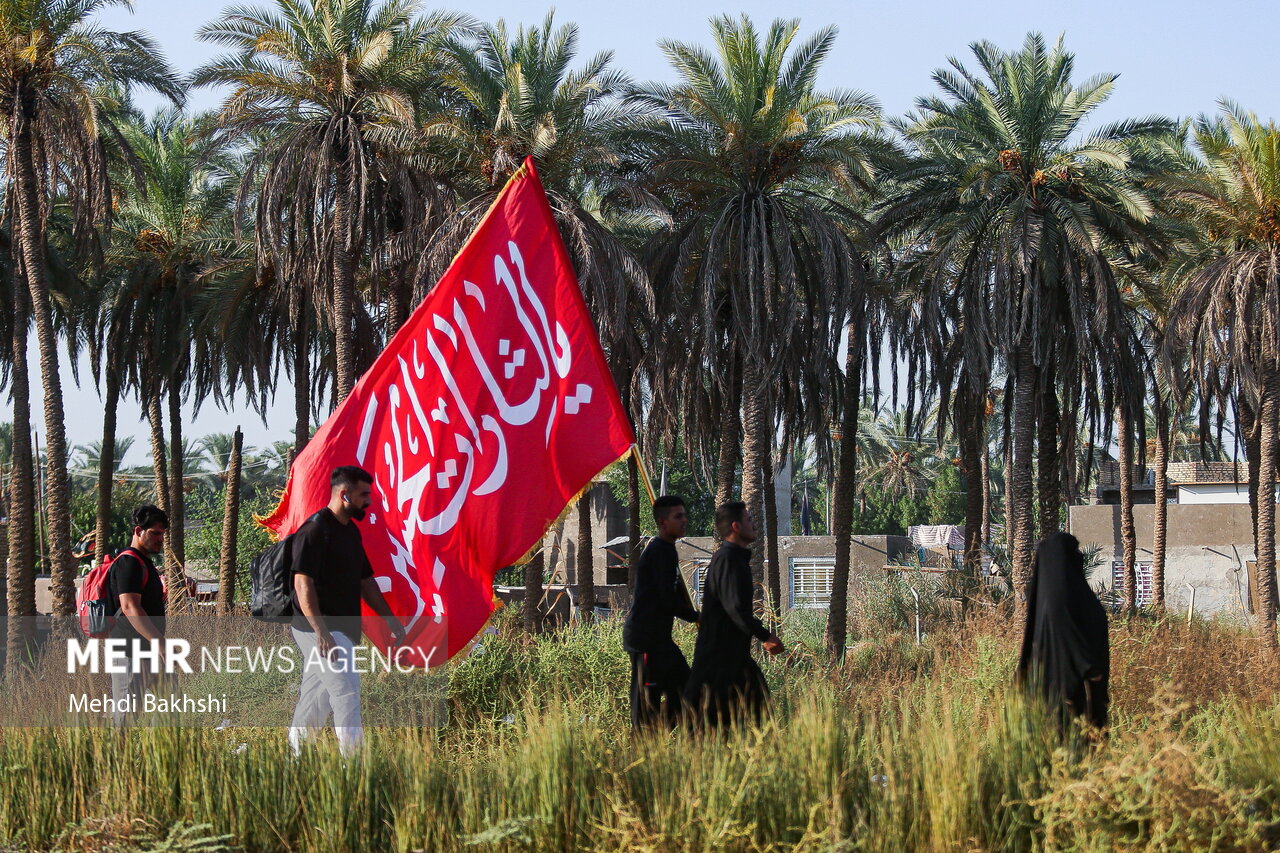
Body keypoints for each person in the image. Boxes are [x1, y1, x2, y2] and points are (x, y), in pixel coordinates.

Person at [289, 465, 406, 755]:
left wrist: (391, 621)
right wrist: (321, 632)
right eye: (363, 494)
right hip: (318, 626)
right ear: (344, 495)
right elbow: (303, 585)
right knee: (347, 692)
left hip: (340, 628)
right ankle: (353, 766)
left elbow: (365, 582)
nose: (368, 500)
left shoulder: (350, 532)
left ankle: (295, 760)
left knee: (317, 698)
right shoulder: (315, 530)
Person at [684, 502, 784, 727]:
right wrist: (765, 636)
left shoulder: (734, 558)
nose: (754, 524)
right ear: (736, 526)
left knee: (756, 717)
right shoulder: (728, 559)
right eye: (749, 519)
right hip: (718, 659)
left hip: (734, 657)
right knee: (704, 726)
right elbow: (735, 608)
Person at [1015, 531, 1110, 731]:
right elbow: (1068, 635)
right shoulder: (1063, 604)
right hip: (1079, 698)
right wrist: (1088, 666)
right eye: (1073, 552)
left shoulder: (1052, 603)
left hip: (1054, 701)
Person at [622, 495, 699, 729]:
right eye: (678, 516)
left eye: (684, 515)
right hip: (645, 641)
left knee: (688, 692)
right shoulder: (658, 551)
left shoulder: (668, 550)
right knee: (646, 704)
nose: (684, 520)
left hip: (660, 641)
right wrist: (696, 617)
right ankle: (644, 746)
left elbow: (670, 595)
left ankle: (659, 736)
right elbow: (666, 599)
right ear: (663, 522)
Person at [107, 504, 170, 724]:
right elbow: (130, 606)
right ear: (137, 531)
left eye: (162, 534)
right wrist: (160, 643)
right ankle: (115, 758)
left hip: (147, 650)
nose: (160, 539)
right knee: (125, 716)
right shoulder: (129, 562)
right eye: (154, 533)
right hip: (129, 650)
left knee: (170, 708)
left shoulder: (144, 563)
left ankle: (161, 757)